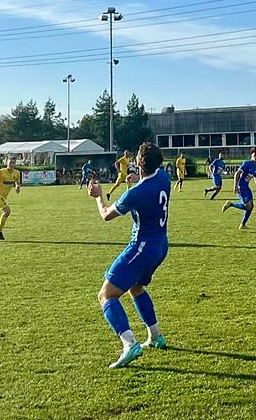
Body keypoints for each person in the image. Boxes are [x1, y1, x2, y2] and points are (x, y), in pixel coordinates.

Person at [87, 142, 169, 369]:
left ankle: (129, 343)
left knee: (106, 295)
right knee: (136, 288)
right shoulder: (163, 178)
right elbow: (147, 190)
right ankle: (155, 336)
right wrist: (137, 180)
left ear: (139, 164)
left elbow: (106, 215)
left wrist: (97, 196)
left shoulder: (135, 193)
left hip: (141, 248)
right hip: (161, 245)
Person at [221, 147, 256, 229]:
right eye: (255, 155)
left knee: (251, 206)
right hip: (241, 187)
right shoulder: (247, 163)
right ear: (251, 155)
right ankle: (231, 204)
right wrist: (235, 186)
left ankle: (243, 225)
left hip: (246, 187)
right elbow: (237, 174)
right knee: (248, 206)